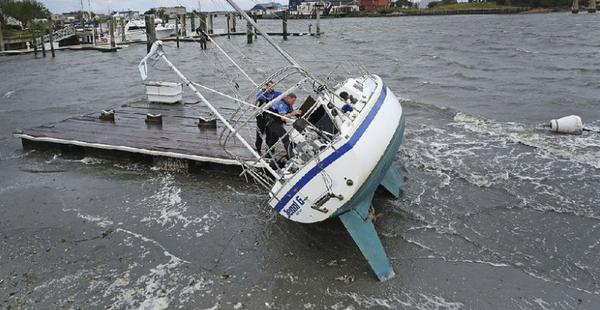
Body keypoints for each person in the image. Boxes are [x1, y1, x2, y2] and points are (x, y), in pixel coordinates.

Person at [266, 93, 302, 159]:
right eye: (293, 101)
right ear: (288, 98)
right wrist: (292, 114)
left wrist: (297, 112)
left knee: (274, 139)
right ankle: (290, 155)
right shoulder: (281, 104)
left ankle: (268, 154)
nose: (294, 103)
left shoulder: (289, 105)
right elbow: (283, 117)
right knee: (285, 136)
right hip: (272, 122)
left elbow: (290, 113)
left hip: (277, 122)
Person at [252, 81, 282, 156]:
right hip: (261, 115)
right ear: (266, 86)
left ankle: (269, 149)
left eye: (272, 86)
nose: (270, 88)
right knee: (259, 132)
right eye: (269, 86)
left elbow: (284, 97)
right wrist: (253, 110)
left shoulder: (276, 93)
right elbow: (255, 103)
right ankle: (257, 148)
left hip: (270, 116)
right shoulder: (261, 93)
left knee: (270, 133)